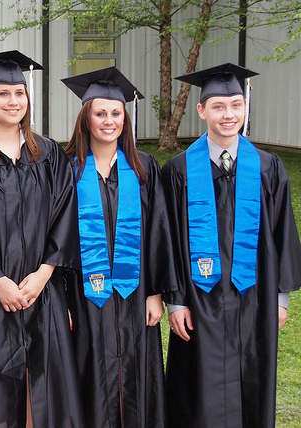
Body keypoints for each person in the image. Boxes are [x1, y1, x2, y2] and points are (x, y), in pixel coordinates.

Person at [0, 50, 84, 428]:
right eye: (2, 93)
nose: (12, 102)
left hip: (42, 291)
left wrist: (44, 273)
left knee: (44, 392)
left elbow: (64, 215)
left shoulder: (49, 154)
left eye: (19, 93)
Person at [163, 63, 301, 428]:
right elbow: (169, 239)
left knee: (252, 376)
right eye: (219, 106)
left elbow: (282, 231)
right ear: (202, 110)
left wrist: (280, 298)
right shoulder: (177, 171)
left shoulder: (268, 167)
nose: (229, 114)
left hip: (254, 297)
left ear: (245, 108)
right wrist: (175, 300)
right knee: (197, 386)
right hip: (198, 296)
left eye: (236, 105)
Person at [62, 67, 174, 428]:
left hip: (135, 292)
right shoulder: (66, 170)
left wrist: (156, 293)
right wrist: (61, 299)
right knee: (88, 367)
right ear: (86, 118)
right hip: (84, 294)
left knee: (136, 371)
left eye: (116, 114)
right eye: (100, 113)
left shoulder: (144, 169)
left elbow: (159, 231)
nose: (108, 121)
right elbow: (56, 237)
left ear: (125, 119)